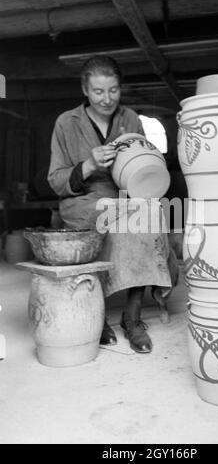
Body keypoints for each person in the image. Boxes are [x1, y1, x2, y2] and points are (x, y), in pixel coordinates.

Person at [48, 55, 177, 354]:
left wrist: (145, 175)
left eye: (113, 90)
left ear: (120, 88)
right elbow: (55, 180)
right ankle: (99, 318)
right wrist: (89, 165)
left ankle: (131, 318)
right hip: (83, 201)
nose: (107, 99)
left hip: (123, 196)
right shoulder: (66, 123)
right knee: (115, 220)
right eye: (98, 91)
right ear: (85, 90)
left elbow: (142, 163)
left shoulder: (130, 118)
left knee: (150, 217)